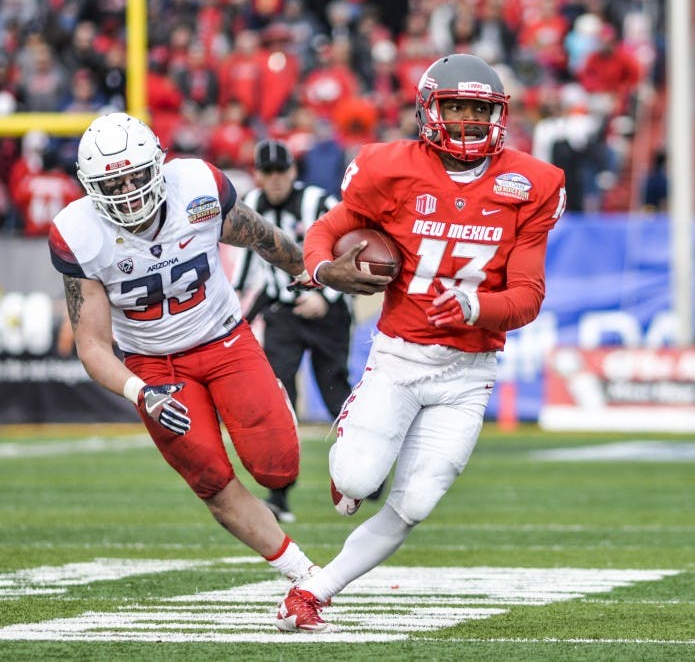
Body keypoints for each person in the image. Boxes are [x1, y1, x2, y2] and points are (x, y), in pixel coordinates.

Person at [276, 54, 566, 632]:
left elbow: (529, 296)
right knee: (358, 480)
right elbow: (326, 231)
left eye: (478, 109)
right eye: (455, 107)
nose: (466, 121)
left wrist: (476, 305)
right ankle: (349, 459)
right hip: (402, 357)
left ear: (498, 115)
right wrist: (322, 270)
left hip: (470, 371)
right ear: (429, 110)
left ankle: (313, 593)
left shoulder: (533, 183)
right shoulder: (389, 169)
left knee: (415, 504)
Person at [48, 113, 319, 589]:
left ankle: (271, 400)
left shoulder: (195, 185)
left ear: (158, 165)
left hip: (223, 339)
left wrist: (305, 267)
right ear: (91, 188)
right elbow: (91, 344)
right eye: (113, 184)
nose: (129, 192)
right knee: (210, 477)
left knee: (278, 468)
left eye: (135, 176)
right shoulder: (79, 232)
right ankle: (301, 572)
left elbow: (258, 234)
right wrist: (140, 392)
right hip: (153, 365)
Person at [232, 139, 350, 524]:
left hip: (326, 312)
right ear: (258, 175)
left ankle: (362, 472)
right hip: (282, 312)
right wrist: (237, 317)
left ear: (293, 171)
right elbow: (247, 266)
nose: (275, 179)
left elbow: (348, 249)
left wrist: (327, 298)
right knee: (280, 397)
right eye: (267, 172)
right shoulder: (252, 204)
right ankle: (279, 495)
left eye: (281, 170)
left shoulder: (319, 202)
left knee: (335, 391)